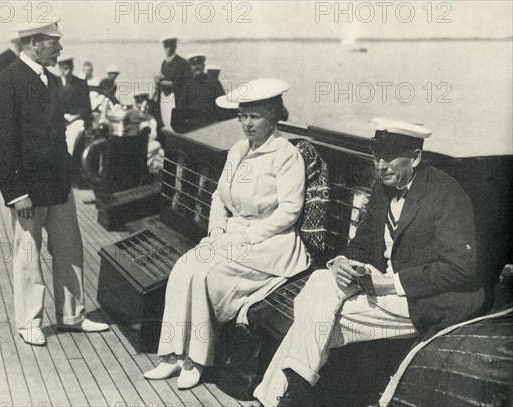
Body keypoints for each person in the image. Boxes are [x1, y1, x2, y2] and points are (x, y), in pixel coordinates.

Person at [253, 118, 486, 407]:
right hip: (383, 287)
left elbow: (461, 267)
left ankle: (275, 397)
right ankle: (287, 396)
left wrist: (389, 284)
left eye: (389, 156)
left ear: (415, 157)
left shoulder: (445, 193)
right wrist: (340, 263)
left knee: (315, 317)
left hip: (424, 300)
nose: (380, 164)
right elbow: (362, 244)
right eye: (376, 155)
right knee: (321, 282)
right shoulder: (383, 189)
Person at [143, 79, 310, 390]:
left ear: (273, 116)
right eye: (242, 116)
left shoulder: (286, 155)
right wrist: (217, 229)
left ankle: (197, 359)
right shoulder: (237, 150)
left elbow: (289, 212)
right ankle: (172, 355)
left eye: (255, 116)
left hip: (271, 244)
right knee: (184, 267)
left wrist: (245, 238)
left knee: (206, 275)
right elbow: (219, 197)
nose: (246, 123)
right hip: (230, 234)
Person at [0, 18, 108, 347]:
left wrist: (69, 173)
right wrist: (16, 193)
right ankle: (29, 321)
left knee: (69, 248)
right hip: (27, 190)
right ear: (35, 43)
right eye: (54, 42)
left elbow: (57, 136)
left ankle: (72, 315)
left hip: (58, 185)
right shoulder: (6, 82)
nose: (60, 47)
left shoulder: (51, 80)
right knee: (28, 253)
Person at [57, 56, 91, 156]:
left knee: (72, 136)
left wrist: (74, 117)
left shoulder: (80, 84)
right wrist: (61, 117)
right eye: (64, 67)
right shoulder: (54, 83)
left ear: (72, 67)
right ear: (59, 67)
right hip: (59, 119)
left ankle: (66, 163)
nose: (66, 70)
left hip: (76, 120)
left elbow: (87, 108)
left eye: (69, 67)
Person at [180, 53, 225, 128]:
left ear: (203, 66)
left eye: (199, 64)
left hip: (211, 124)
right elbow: (182, 108)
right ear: (190, 67)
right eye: (194, 65)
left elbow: (222, 106)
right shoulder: (187, 86)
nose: (197, 67)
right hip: (193, 126)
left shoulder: (214, 82)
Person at [157, 36, 192, 109]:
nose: (167, 49)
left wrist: (165, 82)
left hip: (180, 100)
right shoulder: (164, 63)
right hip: (167, 100)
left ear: (175, 47)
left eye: (170, 46)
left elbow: (187, 83)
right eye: (165, 46)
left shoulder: (183, 63)